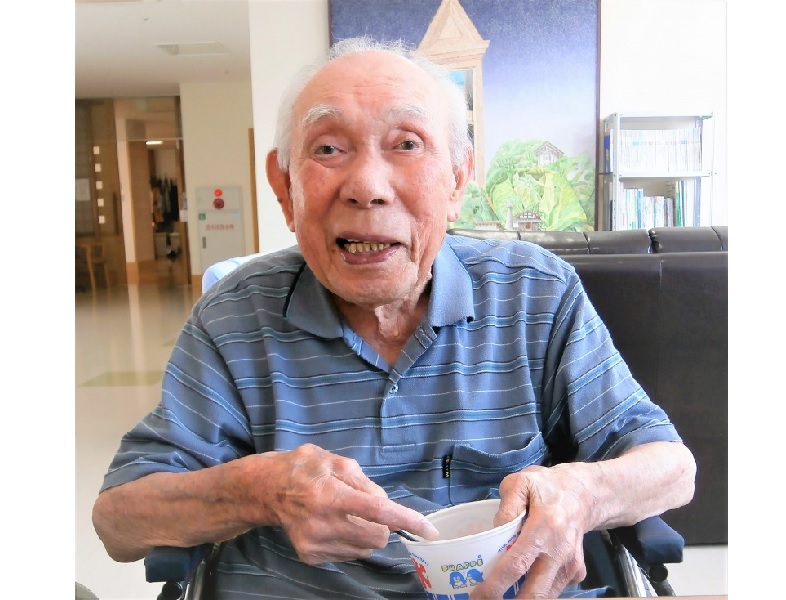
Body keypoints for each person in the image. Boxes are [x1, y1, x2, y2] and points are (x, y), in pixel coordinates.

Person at [92, 36, 696, 599]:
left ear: (457, 180)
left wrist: (582, 493)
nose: (367, 187)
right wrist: (259, 492)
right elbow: (119, 520)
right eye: (328, 148)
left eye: (406, 144)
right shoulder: (233, 317)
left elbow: (671, 468)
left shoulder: (535, 292)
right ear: (283, 187)